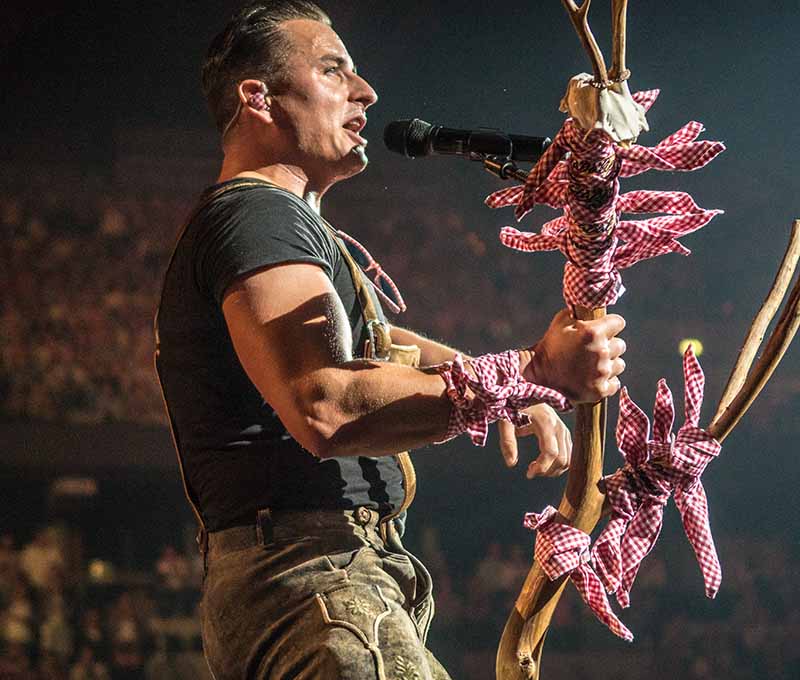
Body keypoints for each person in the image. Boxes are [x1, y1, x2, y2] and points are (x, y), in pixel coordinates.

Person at [154, 2, 627, 679]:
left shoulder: (279, 225)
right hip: (311, 577)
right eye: (332, 69)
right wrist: (531, 369)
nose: (367, 92)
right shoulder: (256, 215)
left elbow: (372, 339)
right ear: (256, 97)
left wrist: (508, 384)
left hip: (318, 578)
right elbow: (326, 405)